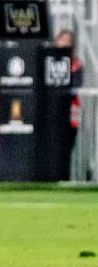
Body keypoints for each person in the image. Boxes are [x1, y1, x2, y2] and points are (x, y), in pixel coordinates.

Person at [54, 29, 84, 180]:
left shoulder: (76, 64)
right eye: (62, 40)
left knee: (66, 148)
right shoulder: (49, 61)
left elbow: (74, 86)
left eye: (68, 41)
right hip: (53, 113)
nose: (65, 43)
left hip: (69, 113)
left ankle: (63, 179)